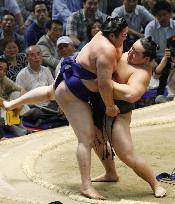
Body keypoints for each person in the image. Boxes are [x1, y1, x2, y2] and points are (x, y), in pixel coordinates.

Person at [0, 24, 166, 199]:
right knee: (94, 139)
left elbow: (132, 95)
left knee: (126, 154)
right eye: (131, 48)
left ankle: (155, 184)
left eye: (136, 53)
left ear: (147, 59)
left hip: (117, 112)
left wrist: (104, 81)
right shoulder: (120, 51)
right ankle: (110, 174)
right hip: (97, 100)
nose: (130, 53)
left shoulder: (142, 72)